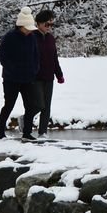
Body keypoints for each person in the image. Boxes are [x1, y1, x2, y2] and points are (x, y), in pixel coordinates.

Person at [0, 6, 41, 141]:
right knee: (9, 104)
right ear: (21, 26)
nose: (29, 31)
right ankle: (0, 129)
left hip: (28, 78)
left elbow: (36, 56)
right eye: (28, 28)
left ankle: (27, 132)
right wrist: (12, 69)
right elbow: (2, 57)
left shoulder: (32, 37)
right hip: (11, 79)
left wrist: (34, 70)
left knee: (30, 105)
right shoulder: (9, 37)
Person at [33, 10, 64, 138]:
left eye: (51, 25)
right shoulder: (32, 37)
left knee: (47, 106)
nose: (49, 27)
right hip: (35, 77)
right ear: (39, 24)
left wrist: (59, 74)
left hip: (49, 77)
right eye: (47, 24)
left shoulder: (51, 38)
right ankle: (25, 119)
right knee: (39, 104)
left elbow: (54, 57)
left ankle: (43, 132)